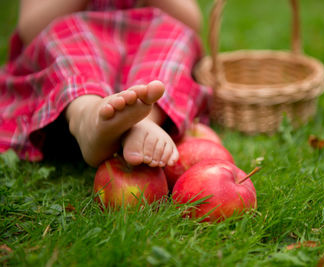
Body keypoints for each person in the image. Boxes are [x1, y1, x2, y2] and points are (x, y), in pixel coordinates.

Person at [0, 0, 211, 167]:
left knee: (175, 35)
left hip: (141, 45)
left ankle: (143, 120)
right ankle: (85, 118)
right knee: (63, 36)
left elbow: (190, 22)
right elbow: (32, 29)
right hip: (77, 38)